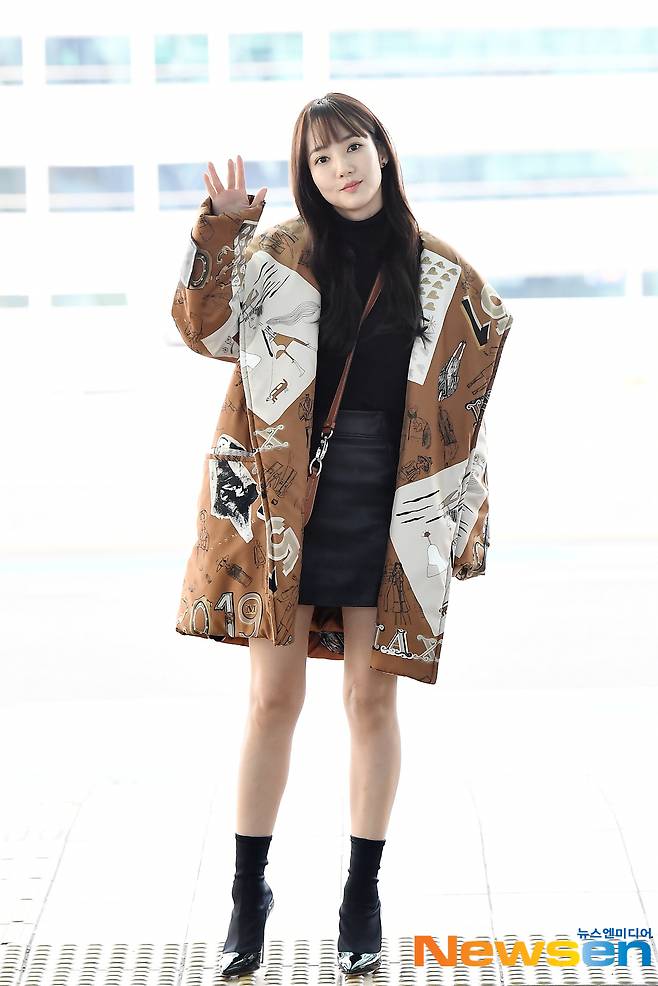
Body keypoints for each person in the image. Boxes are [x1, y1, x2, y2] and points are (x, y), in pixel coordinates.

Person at [173, 92, 513, 980]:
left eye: (351, 148)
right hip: (287, 502)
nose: (341, 169)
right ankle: (247, 894)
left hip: (390, 504)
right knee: (272, 701)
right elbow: (200, 329)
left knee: (371, 701)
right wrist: (221, 227)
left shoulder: (445, 274)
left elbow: (468, 410)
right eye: (321, 159)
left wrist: (462, 518)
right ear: (307, 175)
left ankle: (362, 894)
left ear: (381, 151)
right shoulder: (277, 252)